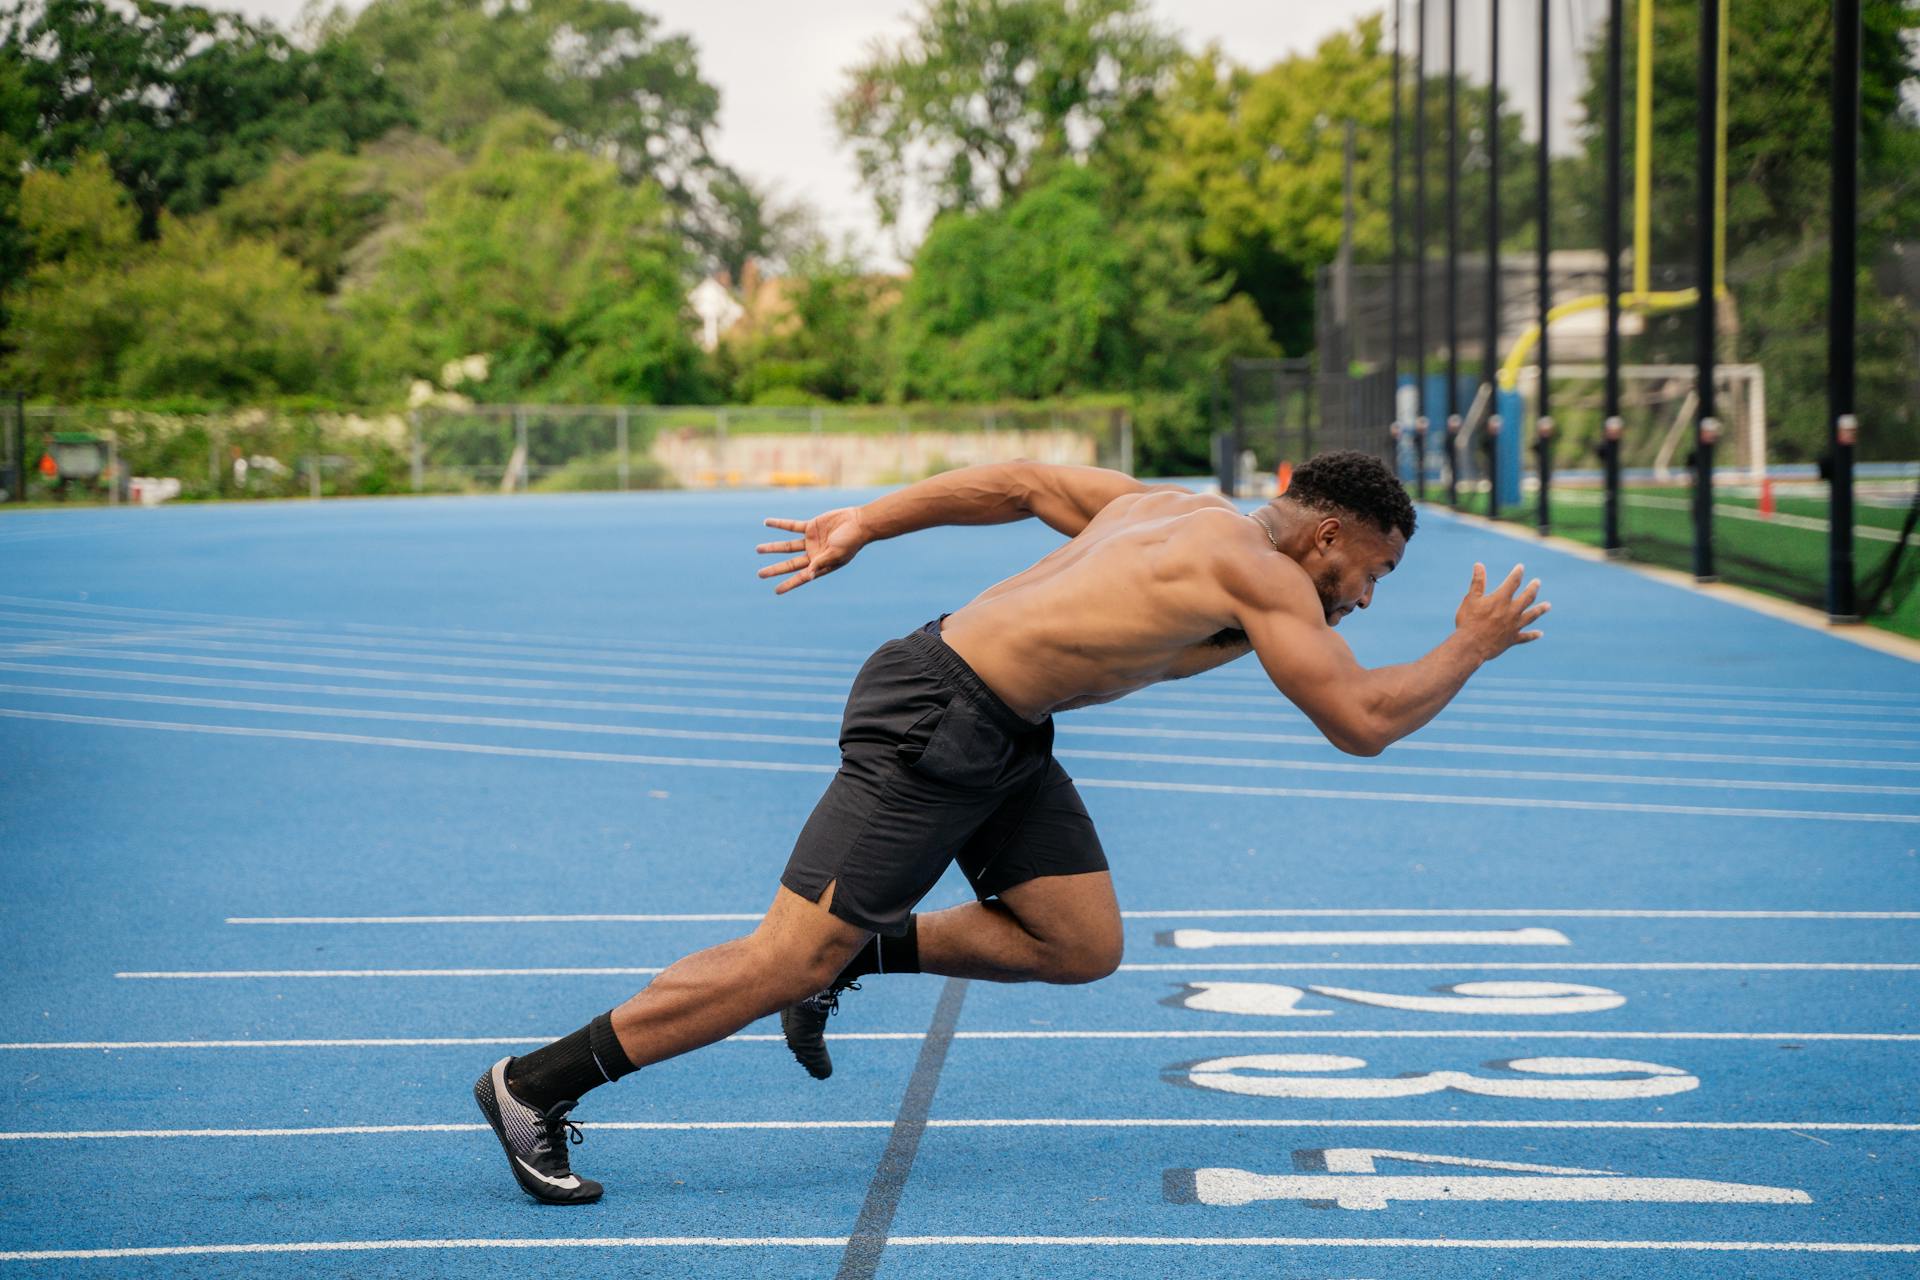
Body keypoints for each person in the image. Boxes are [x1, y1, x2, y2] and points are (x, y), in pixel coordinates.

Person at [473, 450, 1549, 1204]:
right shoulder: (1261, 572)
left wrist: (866, 519)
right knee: (779, 958)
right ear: (1327, 534)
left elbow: (1028, 480)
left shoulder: (1167, 505)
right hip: (940, 712)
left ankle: (857, 955)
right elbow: (1360, 720)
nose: (1366, 595)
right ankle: (535, 1083)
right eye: (1375, 570)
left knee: (1078, 942)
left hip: (1003, 727)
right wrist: (1471, 646)